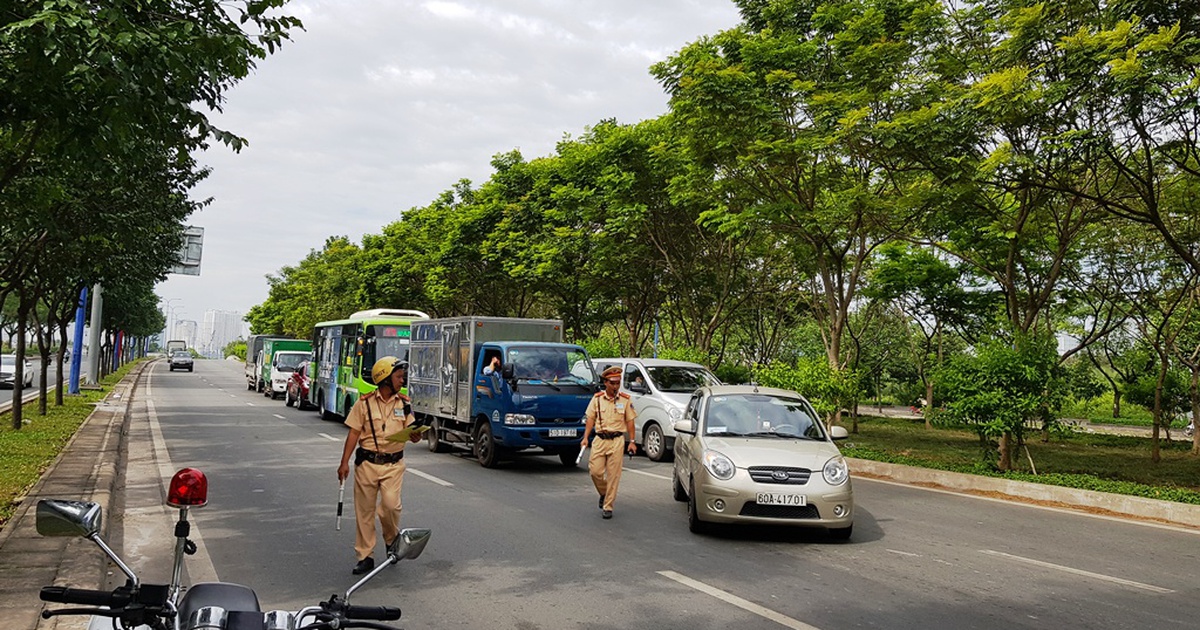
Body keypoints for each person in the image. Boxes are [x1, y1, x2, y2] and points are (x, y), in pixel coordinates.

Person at [337, 356, 424, 575]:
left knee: (391, 506)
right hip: (367, 464)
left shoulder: (404, 403)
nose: (401, 380)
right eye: (398, 376)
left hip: (393, 465)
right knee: (364, 512)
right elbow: (354, 432)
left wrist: (415, 436)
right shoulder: (364, 403)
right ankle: (365, 556)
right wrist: (344, 463)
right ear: (384, 378)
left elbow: (412, 428)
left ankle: (391, 540)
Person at [580, 365, 637, 519]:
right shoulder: (597, 399)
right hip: (600, 439)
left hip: (617, 440)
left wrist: (632, 441)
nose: (615, 386)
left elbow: (630, 421)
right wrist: (585, 437)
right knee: (595, 471)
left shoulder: (625, 400)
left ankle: (608, 506)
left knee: (613, 475)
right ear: (605, 382)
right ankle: (604, 493)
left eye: (617, 383)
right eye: (612, 383)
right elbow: (590, 419)